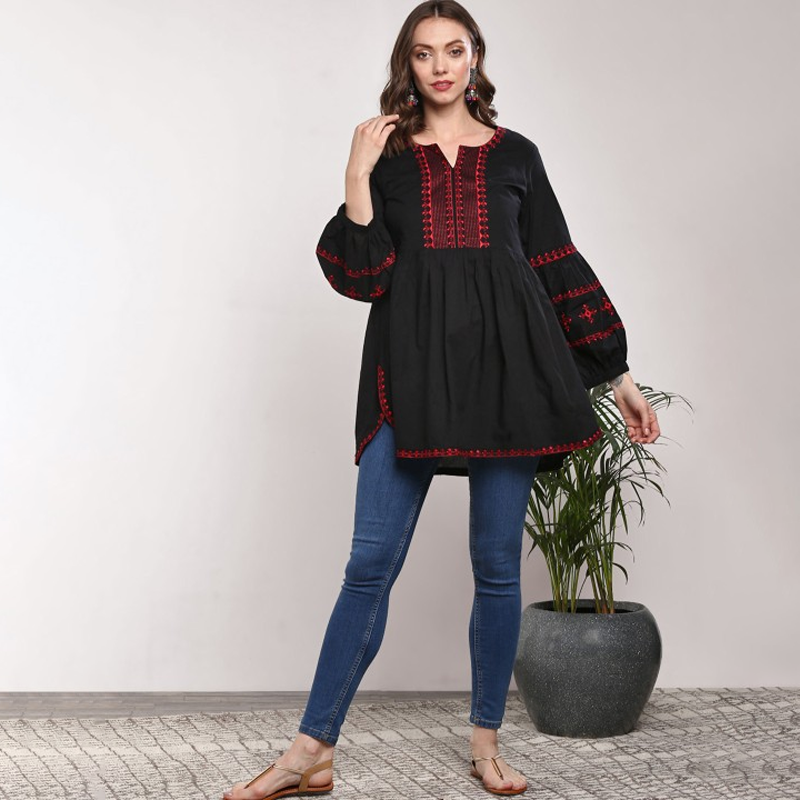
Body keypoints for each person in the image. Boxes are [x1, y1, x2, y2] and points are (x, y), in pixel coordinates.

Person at [223, 1, 660, 798]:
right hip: (409, 377)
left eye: (454, 50)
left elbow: (557, 262)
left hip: (509, 381)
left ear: (475, 57)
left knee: (495, 567)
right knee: (368, 566)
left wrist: (617, 372)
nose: (440, 67)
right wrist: (355, 176)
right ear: (409, 65)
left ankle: (486, 745)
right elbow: (364, 278)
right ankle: (310, 751)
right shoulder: (388, 160)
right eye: (424, 54)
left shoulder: (517, 155)